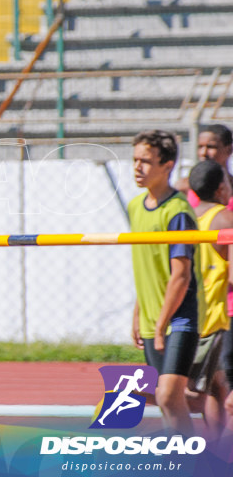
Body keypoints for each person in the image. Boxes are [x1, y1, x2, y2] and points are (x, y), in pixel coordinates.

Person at [128, 129, 203, 436]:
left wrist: (160, 326)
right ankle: (186, 458)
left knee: (168, 395)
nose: (137, 167)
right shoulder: (135, 207)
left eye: (145, 161)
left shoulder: (178, 211)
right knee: (168, 401)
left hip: (178, 318)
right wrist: (137, 313)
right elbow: (145, 265)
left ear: (167, 165)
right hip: (150, 316)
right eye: (135, 160)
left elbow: (181, 275)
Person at [188, 159, 233, 438]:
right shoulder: (224, 219)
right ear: (220, 189)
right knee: (193, 392)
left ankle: (216, 444)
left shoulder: (187, 217)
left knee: (216, 386)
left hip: (192, 311)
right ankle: (136, 392)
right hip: (219, 314)